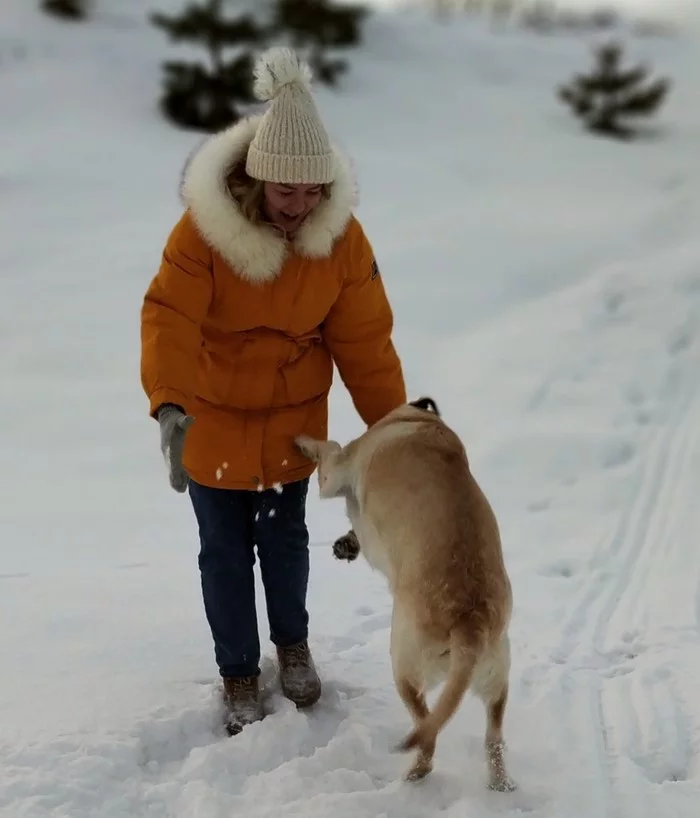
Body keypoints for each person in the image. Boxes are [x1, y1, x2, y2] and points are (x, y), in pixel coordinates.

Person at [140, 46, 407, 736]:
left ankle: (292, 646)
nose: (302, 205)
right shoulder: (203, 232)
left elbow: (365, 342)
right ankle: (237, 671)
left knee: (286, 542)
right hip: (214, 418)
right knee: (224, 552)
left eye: (315, 191)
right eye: (288, 192)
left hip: (293, 421)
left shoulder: (340, 239)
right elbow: (169, 315)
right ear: (258, 182)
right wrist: (170, 403)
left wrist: (396, 429)